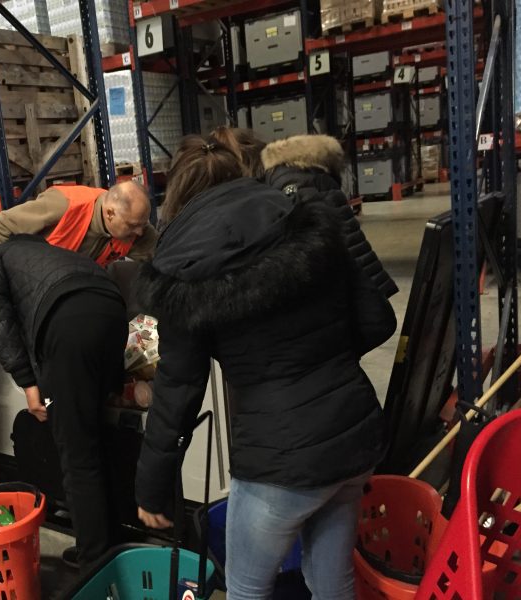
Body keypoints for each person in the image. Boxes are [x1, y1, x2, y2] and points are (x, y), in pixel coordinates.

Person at [134, 135, 397, 599]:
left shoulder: (182, 269)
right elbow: (377, 320)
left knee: (246, 589)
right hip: (354, 435)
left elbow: (178, 390)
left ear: (176, 194)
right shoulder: (307, 216)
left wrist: (152, 488)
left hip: (279, 462)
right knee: (332, 582)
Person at [0, 235, 128, 572]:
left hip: (69, 324)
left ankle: (95, 561)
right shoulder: (53, 252)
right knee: (99, 434)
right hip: (114, 311)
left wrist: (28, 383)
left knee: (77, 454)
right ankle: (114, 539)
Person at [261, 133, 399, 298]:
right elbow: (349, 236)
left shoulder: (296, 180)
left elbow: (339, 237)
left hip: (339, 287)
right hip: (352, 282)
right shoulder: (314, 176)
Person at [0, 181, 158, 264]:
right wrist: (6, 283)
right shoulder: (64, 206)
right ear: (110, 214)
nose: (139, 232)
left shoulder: (136, 226)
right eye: (133, 225)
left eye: (142, 225)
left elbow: (163, 257)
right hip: (38, 286)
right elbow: (2, 226)